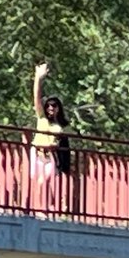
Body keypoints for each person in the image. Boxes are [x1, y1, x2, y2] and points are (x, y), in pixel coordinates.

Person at [31, 62, 73, 211]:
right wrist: (39, 79)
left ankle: (45, 208)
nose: (50, 108)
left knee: (44, 182)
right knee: (39, 183)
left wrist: (54, 146)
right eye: (48, 105)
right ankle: (43, 208)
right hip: (37, 154)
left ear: (58, 109)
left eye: (54, 106)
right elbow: (36, 97)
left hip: (49, 157)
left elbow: (59, 143)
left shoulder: (60, 126)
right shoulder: (41, 117)